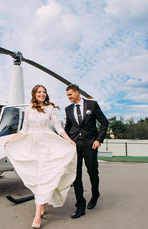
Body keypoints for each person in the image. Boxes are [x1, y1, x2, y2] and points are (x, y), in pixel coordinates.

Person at [4, 85, 77, 228]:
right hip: (32, 147)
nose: (42, 94)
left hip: (48, 146)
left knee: (44, 176)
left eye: (44, 92)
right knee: (38, 177)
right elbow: (24, 130)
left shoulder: (49, 108)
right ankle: (42, 204)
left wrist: (69, 140)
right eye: (39, 92)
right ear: (34, 94)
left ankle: (37, 216)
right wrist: (11, 140)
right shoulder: (29, 110)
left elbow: (58, 127)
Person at [64, 84, 108, 219]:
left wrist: (98, 140)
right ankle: (80, 206)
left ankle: (95, 195)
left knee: (92, 172)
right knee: (76, 175)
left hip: (90, 145)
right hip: (75, 145)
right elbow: (68, 127)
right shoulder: (68, 109)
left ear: (77, 93)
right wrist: (65, 142)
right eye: (67, 96)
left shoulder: (92, 105)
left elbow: (104, 122)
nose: (69, 98)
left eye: (70, 95)